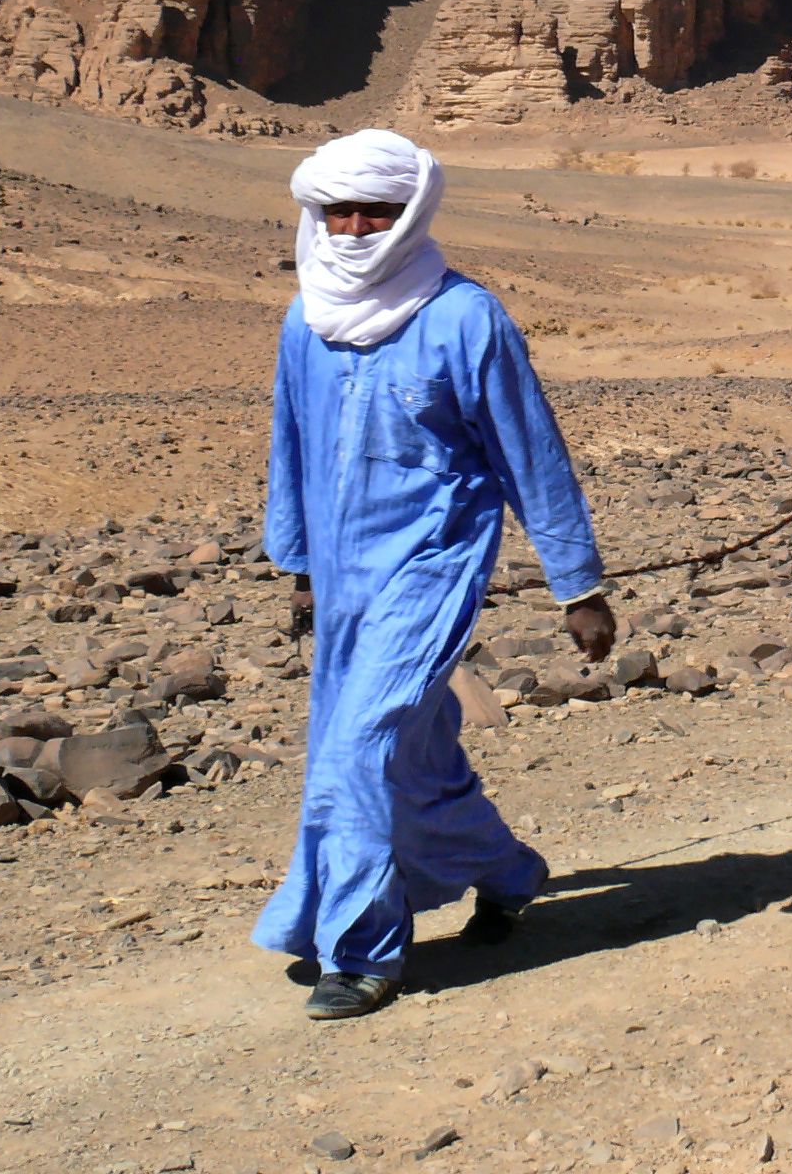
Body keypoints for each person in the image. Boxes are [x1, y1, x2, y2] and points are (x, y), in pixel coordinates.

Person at [252, 128, 614, 1019]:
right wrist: (298, 565)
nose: (356, 225)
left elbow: (533, 455)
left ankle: (365, 952)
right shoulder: (307, 317)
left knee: (361, 749)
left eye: (375, 208)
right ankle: (508, 872)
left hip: (431, 566)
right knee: (411, 755)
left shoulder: (465, 318)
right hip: (342, 576)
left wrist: (580, 583)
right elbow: (290, 446)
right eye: (338, 210)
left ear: (411, 212)